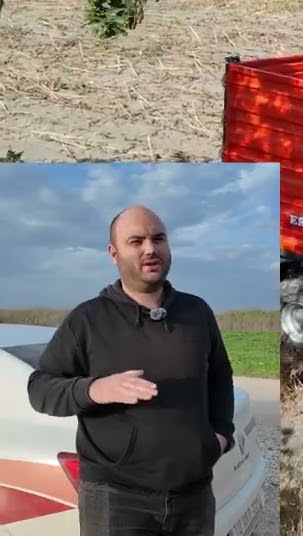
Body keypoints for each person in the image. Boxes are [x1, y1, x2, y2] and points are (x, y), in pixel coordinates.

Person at [26, 204, 236, 536]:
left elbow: (221, 380)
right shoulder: (88, 319)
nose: (150, 248)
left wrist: (221, 437)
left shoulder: (197, 312)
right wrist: (94, 390)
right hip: (116, 503)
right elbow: (39, 389)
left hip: (193, 499)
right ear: (114, 253)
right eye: (136, 241)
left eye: (158, 238)